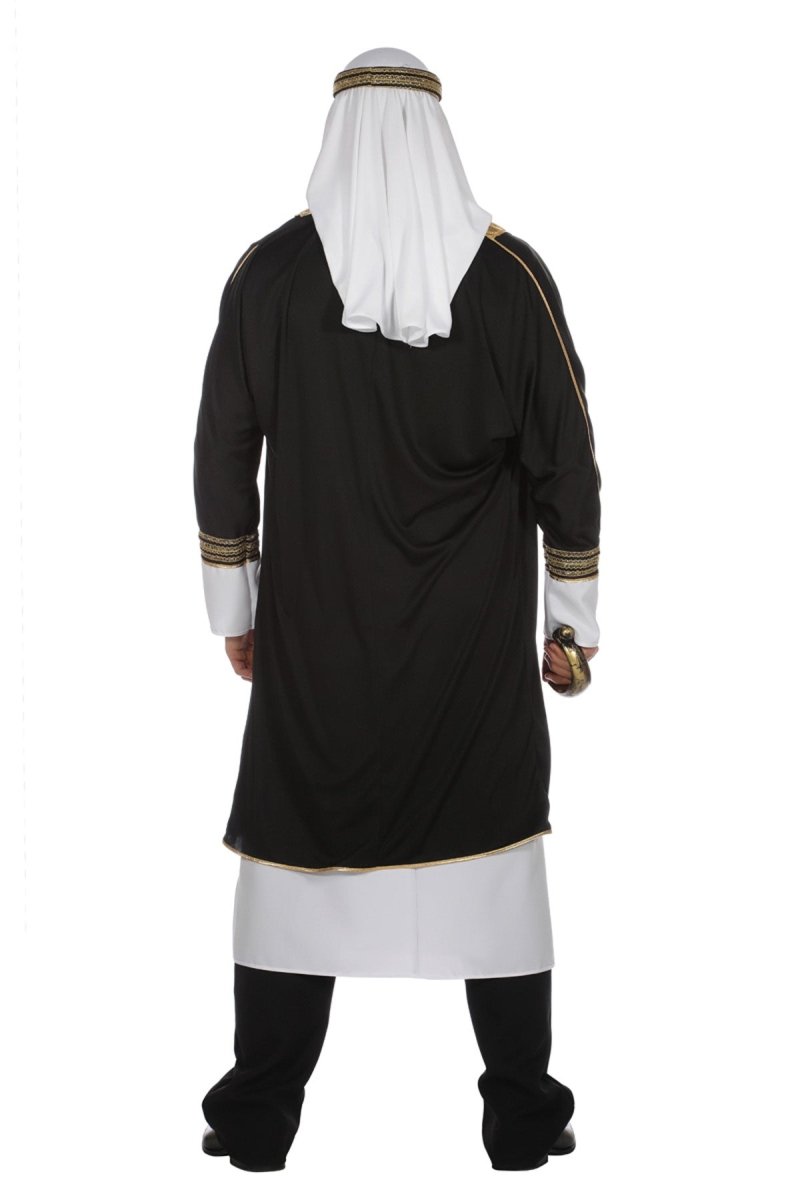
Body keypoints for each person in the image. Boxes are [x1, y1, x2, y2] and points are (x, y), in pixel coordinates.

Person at [194, 46, 601, 1173]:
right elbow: (569, 466)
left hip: (316, 652)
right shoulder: (510, 279)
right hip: (468, 663)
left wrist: (236, 608)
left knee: (296, 862)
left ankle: (256, 1122)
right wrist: (568, 630)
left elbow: (221, 453)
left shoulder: (271, 276)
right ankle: (522, 1120)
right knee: (492, 876)